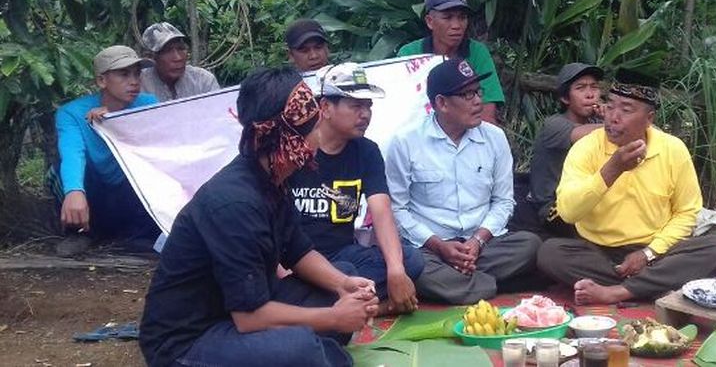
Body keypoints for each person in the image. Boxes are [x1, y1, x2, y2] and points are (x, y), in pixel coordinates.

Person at [140, 67, 378, 367]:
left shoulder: (273, 177)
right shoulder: (235, 203)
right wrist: (334, 317)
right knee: (301, 348)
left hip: (233, 312)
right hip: (188, 341)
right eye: (314, 128)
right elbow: (249, 318)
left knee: (338, 275)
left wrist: (343, 284)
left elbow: (297, 250)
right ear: (288, 139)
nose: (321, 136)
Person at [537, 70, 716, 305]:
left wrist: (648, 253)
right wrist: (612, 169)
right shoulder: (586, 148)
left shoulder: (673, 149)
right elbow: (568, 212)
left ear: (649, 118)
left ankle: (618, 292)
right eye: (610, 106)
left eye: (626, 110)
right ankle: (652, 286)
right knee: (550, 253)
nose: (613, 117)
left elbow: (687, 212)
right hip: (597, 252)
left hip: (656, 252)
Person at [385, 58, 542, 305]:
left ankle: (464, 284)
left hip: (484, 247)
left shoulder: (495, 138)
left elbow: (503, 201)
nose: (478, 101)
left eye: (477, 92)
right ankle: (491, 285)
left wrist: (477, 241)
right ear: (441, 103)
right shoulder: (406, 142)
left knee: (531, 246)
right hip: (431, 249)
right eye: (467, 95)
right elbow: (397, 209)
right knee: (414, 266)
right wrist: (439, 246)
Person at [287, 63, 423, 316]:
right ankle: (374, 308)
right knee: (345, 273)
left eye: (368, 106)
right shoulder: (296, 150)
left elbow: (381, 211)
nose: (365, 114)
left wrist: (395, 270)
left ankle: (348, 307)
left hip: (343, 254)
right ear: (325, 107)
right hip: (297, 261)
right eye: (356, 105)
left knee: (410, 261)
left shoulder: (367, 151)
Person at [51, 46, 161, 256]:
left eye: (137, 73)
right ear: (102, 81)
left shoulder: (148, 104)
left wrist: (115, 121)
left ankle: (139, 236)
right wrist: (74, 190)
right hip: (95, 190)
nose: (134, 81)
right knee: (57, 172)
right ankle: (80, 232)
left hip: (128, 190)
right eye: (124, 74)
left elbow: (157, 146)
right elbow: (73, 153)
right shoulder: (72, 113)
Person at [397, 0, 505, 124]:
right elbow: (399, 108)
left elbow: (487, 115)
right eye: (447, 18)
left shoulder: (477, 53)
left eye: (462, 17)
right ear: (430, 21)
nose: (456, 26)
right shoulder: (409, 53)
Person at [527, 63, 604, 237]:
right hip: (552, 206)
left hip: (583, 199)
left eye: (594, 87)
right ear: (565, 98)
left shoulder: (595, 124)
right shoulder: (554, 125)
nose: (590, 94)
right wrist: (617, 118)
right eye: (581, 88)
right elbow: (603, 134)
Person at [139, 22, 220, 101]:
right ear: (152, 57)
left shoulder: (203, 81)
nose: (178, 58)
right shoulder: (140, 85)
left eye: (181, 48)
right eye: (167, 51)